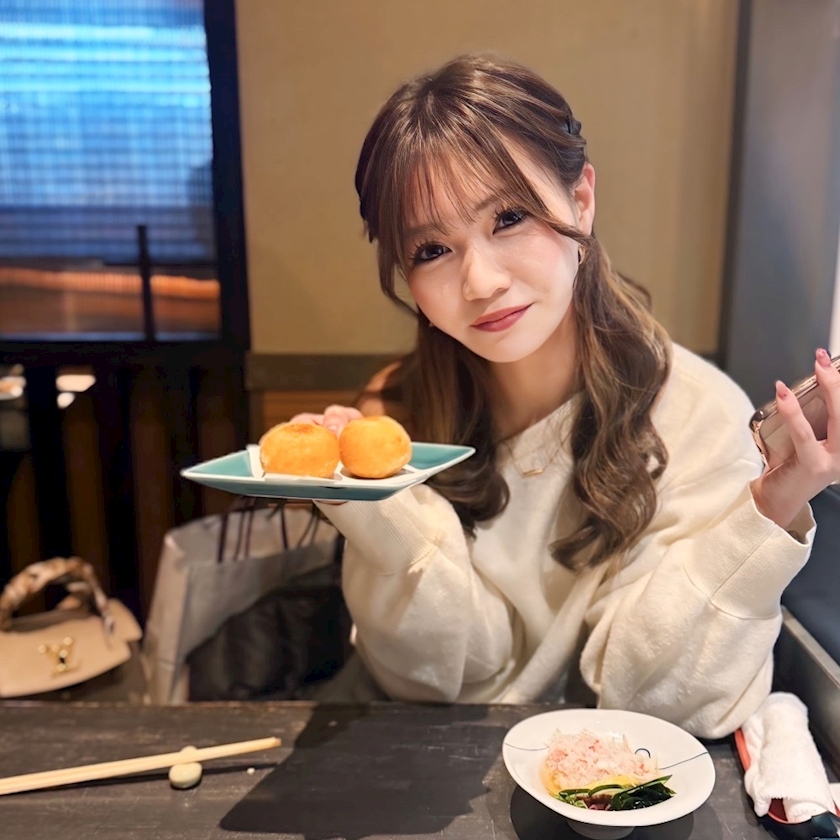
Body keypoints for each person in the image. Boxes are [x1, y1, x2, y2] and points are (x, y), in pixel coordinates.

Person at [291, 53, 840, 738]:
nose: (481, 282)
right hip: (405, 759)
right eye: (432, 250)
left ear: (580, 198)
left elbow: (661, 701)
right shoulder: (398, 413)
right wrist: (373, 510)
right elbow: (429, 678)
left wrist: (769, 510)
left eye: (509, 217)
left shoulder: (697, 417)